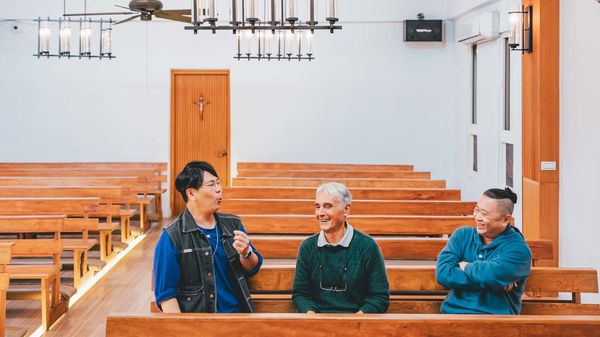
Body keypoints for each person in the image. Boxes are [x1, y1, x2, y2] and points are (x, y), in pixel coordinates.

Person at [153, 161, 262, 313]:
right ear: (191, 193)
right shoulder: (172, 236)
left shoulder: (233, 224)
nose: (219, 189)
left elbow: (253, 267)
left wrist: (246, 253)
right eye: (211, 184)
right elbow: (166, 295)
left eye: (218, 183)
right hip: (198, 326)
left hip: (236, 319)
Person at [292, 182, 389, 314]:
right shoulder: (307, 247)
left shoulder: (368, 246)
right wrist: (312, 317)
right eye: (317, 206)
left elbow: (379, 297)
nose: (320, 213)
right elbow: (301, 294)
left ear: (346, 209)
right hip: (316, 323)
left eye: (328, 206)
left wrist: (355, 322)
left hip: (358, 324)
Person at [436, 187, 531, 315]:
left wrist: (464, 266)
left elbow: (492, 274)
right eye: (477, 210)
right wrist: (493, 282)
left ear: (506, 219)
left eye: (485, 214)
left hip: (496, 321)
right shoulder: (462, 235)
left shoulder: (518, 250)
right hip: (453, 314)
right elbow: (443, 274)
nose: (478, 218)